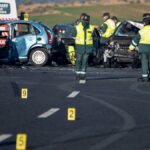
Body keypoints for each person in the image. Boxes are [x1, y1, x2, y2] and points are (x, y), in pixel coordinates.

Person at [72, 13, 96, 81]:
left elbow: (72, 35)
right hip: (82, 47)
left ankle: (81, 75)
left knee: (81, 61)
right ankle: (80, 75)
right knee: (82, 61)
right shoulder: (78, 27)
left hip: (85, 47)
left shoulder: (91, 27)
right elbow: (73, 35)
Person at [128, 14, 150, 82]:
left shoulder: (141, 31)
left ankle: (145, 77)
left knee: (145, 63)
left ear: (144, 23)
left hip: (143, 49)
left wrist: (131, 48)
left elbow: (135, 41)